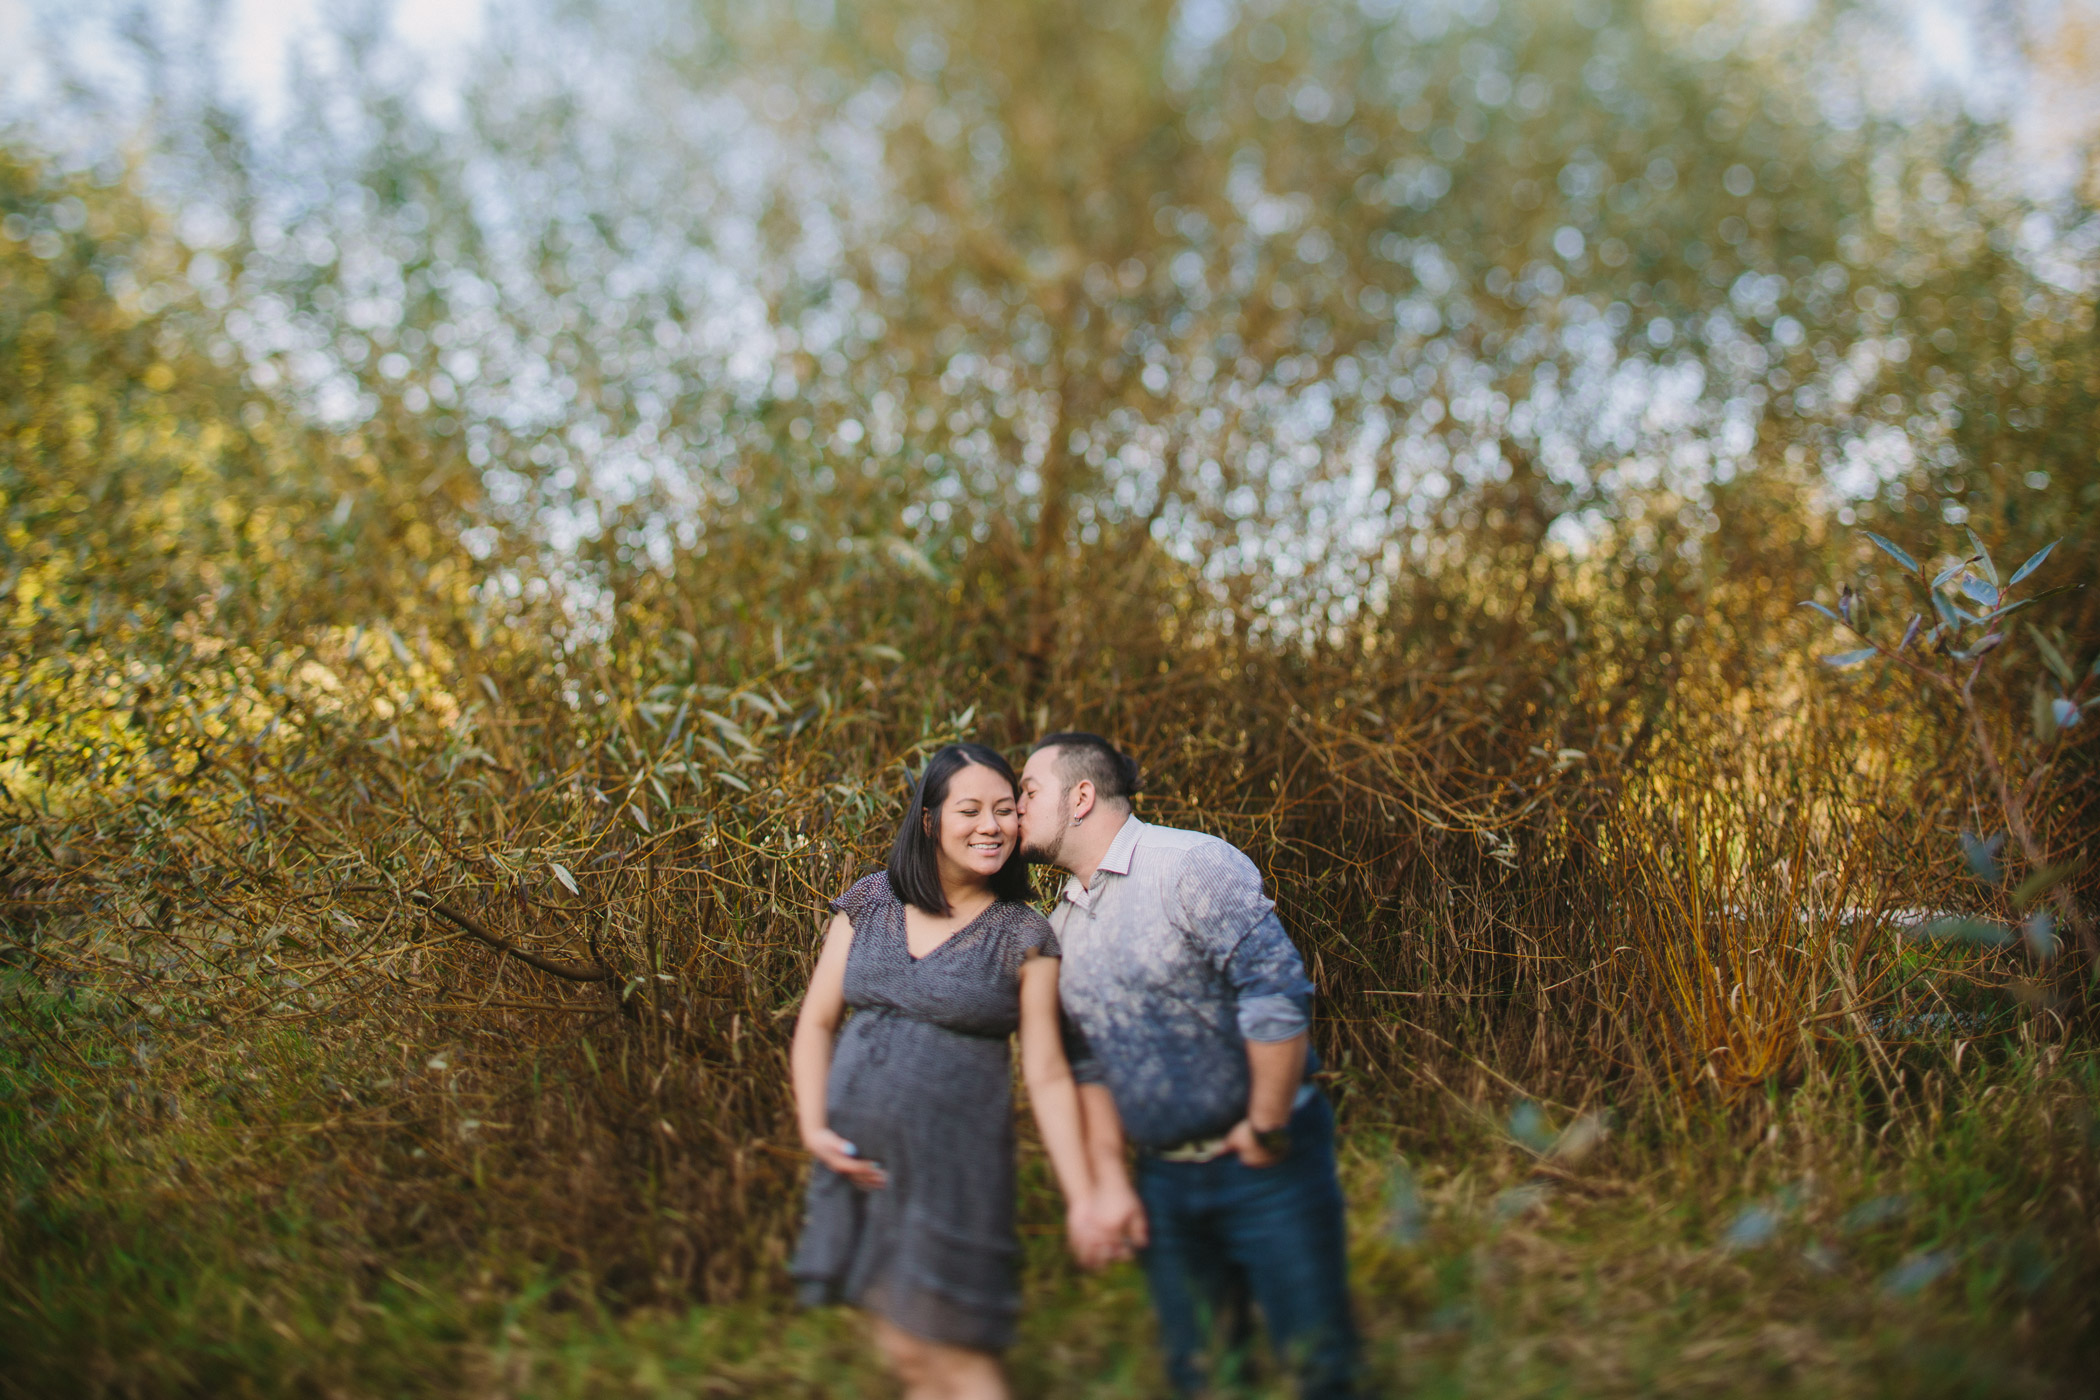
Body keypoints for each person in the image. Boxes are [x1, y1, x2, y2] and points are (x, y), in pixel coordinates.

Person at [1018, 731, 1357, 1399]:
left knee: (1319, 1366)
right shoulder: (1057, 929)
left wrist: (1262, 1127)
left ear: (1081, 795)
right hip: (1165, 1185)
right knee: (1203, 1374)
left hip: (1266, 1167)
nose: (1016, 808)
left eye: (1028, 792)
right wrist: (1112, 1181)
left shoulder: (1191, 865)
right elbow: (1088, 1065)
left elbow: (1275, 994)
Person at [789, 742, 1097, 1400]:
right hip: (861, 1168)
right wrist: (814, 1127)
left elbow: (1045, 1073)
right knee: (908, 1355)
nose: (992, 825)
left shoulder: (1024, 935)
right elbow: (815, 1023)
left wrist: (1084, 1196)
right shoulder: (870, 903)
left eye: (1006, 810)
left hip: (953, 1178)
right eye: (971, 809)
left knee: (957, 1361)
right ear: (928, 820)